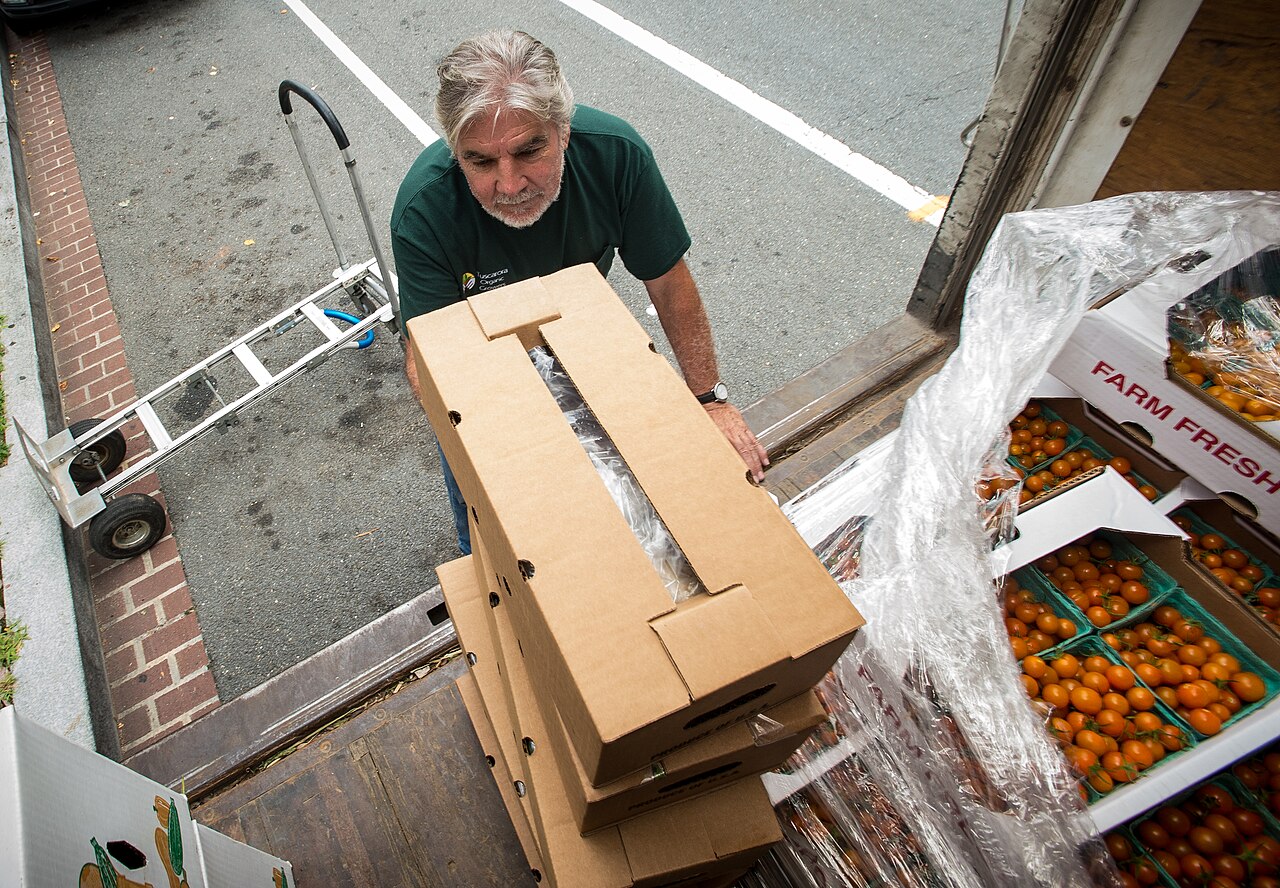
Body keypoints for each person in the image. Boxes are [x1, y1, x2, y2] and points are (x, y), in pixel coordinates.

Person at [391, 29, 767, 554]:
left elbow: (667, 281)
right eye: (480, 162)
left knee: (633, 502)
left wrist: (710, 401)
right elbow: (428, 362)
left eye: (530, 151)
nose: (511, 184)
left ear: (563, 130)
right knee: (507, 538)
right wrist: (500, 472)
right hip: (481, 372)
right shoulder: (424, 209)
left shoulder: (616, 155)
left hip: (580, 335)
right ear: (456, 153)